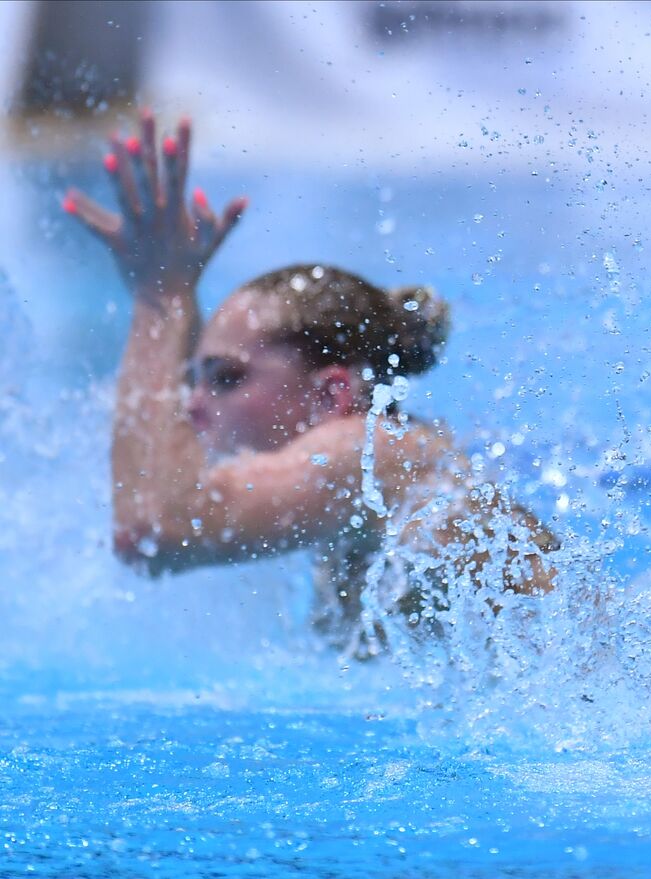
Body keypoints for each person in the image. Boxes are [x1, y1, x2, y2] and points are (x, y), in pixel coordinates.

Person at [64, 112, 554, 652]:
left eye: (226, 379)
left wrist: (163, 295)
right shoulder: (376, 484)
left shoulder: (374, 455)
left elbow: (153, 529)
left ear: (331, 395)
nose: (192, 407)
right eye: (195, 381)